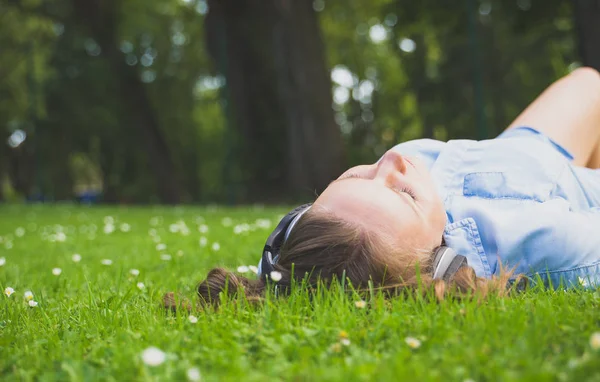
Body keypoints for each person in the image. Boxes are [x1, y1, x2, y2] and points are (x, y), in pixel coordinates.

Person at [196, 67, 600, 306]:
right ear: (440, 262)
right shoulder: (547, 244)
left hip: (509, 154)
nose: (390, 161)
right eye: (404, 194)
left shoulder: (328, 240)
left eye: (355, 176)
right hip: (552, 180)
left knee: (588, 80)